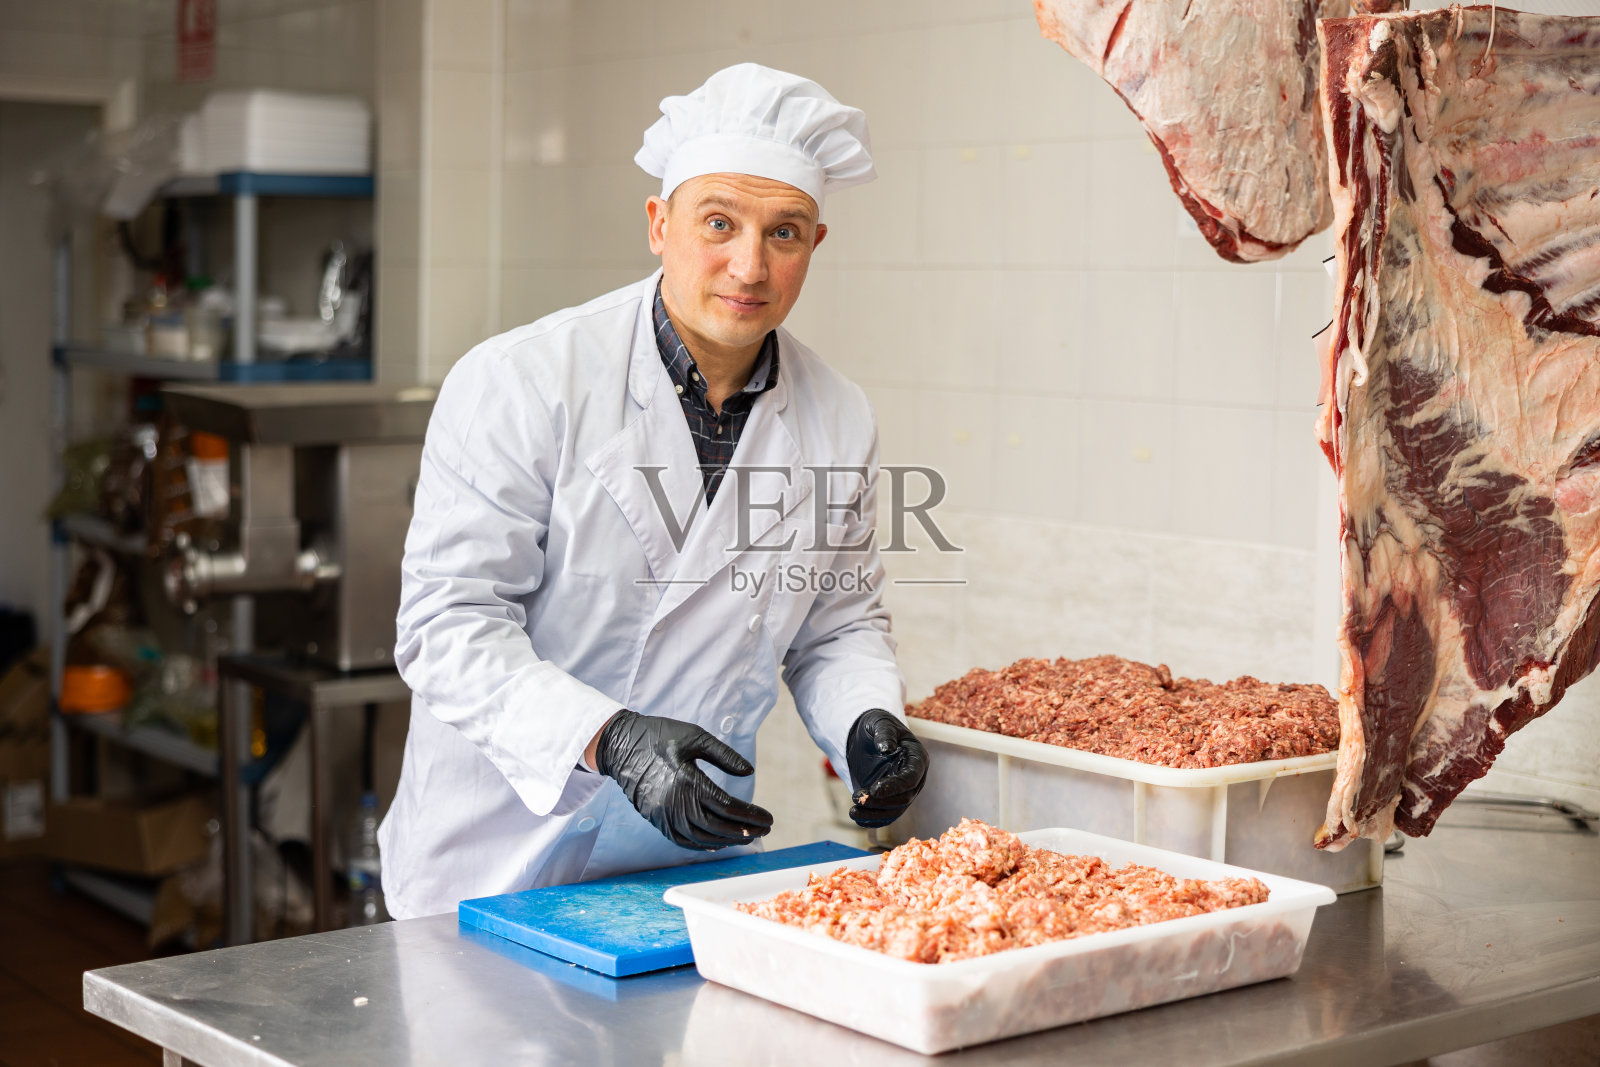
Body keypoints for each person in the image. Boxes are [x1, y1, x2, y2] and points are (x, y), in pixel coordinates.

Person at [378, 64, 929, 918]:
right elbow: (447, 625)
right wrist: (611, 740)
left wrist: (867, 718)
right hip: (489, 863)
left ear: (814, 247)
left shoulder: (839, 419)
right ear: (658, 224)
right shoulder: (522, 381)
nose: (749, 265)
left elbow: (835, 627)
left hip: (675, 870)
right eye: (719, 223)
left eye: (783, 233)